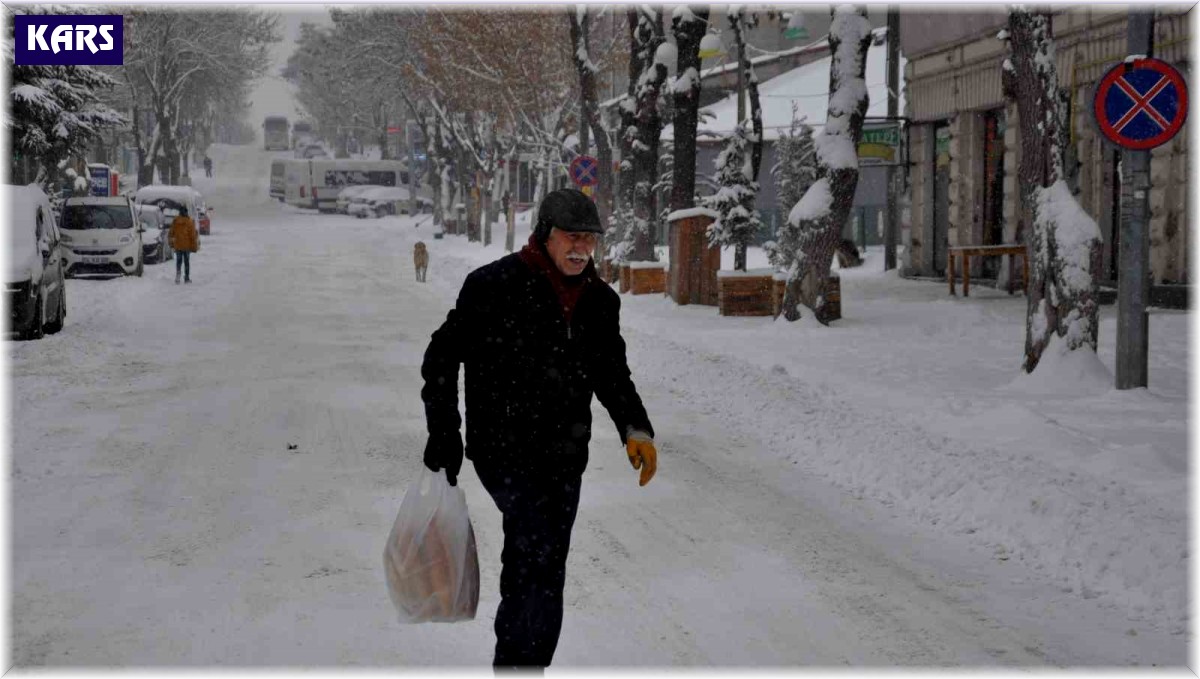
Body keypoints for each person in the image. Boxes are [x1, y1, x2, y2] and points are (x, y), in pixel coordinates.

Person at [421, 188, 657, 671]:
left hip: (565, 453)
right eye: (572, 237)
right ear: (545, 235)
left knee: (548, 565)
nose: (581, 249)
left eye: (589, 240)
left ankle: (532, 664)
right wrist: (445, 429)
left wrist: (636, 428)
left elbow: (611, 370)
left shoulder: (599, 301)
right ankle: (515, 664)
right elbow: (442, 357)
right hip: (503, 449)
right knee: (533, 551)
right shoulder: (493, 285)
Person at [168, 206, 199, 284]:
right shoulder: (189, 222)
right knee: (186, 262)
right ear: (186, 212)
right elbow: (192, 236)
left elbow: (171, 233)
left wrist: (171, 243)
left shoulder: (175, 221)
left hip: (178, 245)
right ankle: (187, 277)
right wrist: (194, 246)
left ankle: (178, 276)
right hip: (186, 246)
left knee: (178, 261)